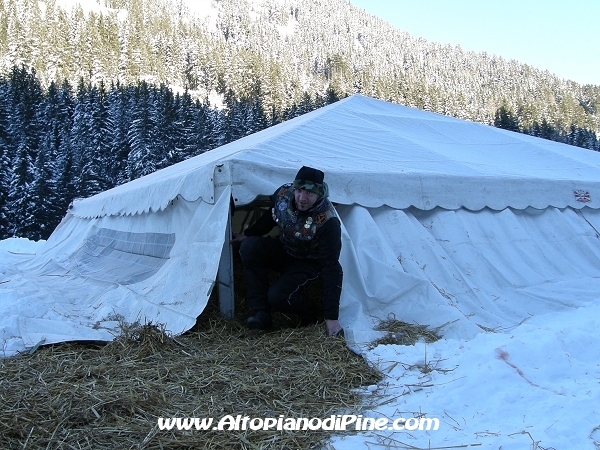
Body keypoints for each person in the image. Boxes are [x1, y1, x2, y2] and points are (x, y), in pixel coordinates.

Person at [231, 166, 343, 337]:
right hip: (284, 249)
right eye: (299, 191)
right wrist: (248, 235)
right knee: (250, 247)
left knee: (277, 296)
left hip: (307, 261)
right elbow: (272, 216)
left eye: (310, 194)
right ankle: (260, 313)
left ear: (319, 194)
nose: (302, 198)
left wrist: (331, 317)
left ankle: (311, 313)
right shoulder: (283, 195)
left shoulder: (327, 221)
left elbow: (331, 267)